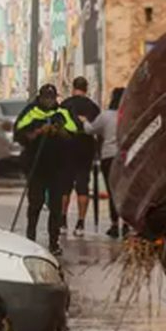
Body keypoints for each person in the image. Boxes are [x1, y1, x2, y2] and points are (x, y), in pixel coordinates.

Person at [14, 84, 80, 256]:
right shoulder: (31, 112)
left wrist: (59, 130)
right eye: (46, 98)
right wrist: (37, 132)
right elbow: (18, 133)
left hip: (57, 167)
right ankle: (30, 239)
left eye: (52, 98)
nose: (49, 101)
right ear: (40, 97)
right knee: (35, 203)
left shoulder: (63, 113)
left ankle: (54, 242)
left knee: (56, 207)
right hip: (36, 167)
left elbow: (75, 133)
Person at [60, 76, 101, 235]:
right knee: (83, 187)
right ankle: (80, 223)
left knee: (65, 188)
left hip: (66, 149)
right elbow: (98, 130)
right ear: (86, 88)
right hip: (86, 150)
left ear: (73, 87)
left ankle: (62, 221)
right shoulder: (93, 107)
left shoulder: (65, 105)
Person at [86, 87, 123, 238]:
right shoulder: (130, 115)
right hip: (127, 157)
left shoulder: (106, 116)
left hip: (109, 157)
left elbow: (90, 129)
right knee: (125, 191)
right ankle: (127, 224)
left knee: (112, 191)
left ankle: (114, 225)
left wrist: (83, 121)